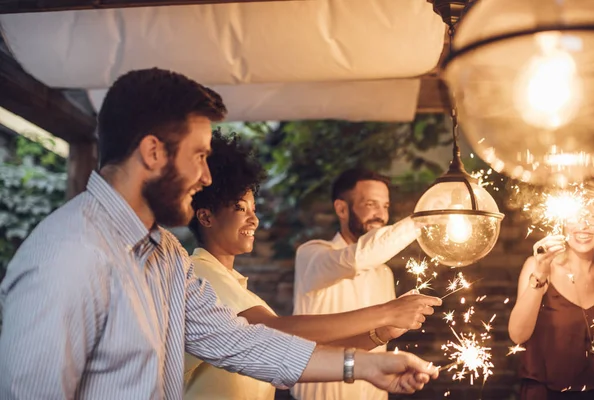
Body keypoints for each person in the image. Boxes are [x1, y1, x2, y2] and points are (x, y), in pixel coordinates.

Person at [0, 68, 440, 399]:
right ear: (153, 152)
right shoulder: (67, 254)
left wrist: (362, 365)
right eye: (199, 156)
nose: (208, 177)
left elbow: (238, 341)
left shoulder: (166, 254)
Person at [184, 131, 442, 400]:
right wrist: (388, 312)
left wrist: (379, 335)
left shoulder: (240, 290)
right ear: (205, 217)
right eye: (240, 208)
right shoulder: (201, 275)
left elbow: (301, 350)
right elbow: (274, 332)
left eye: (254, 209)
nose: (254, 220)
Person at [292, 168, 429, 400]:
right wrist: (425, 220)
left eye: (385, 206)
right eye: (371, 204)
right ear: (342, 209)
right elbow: (357, 259)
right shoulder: (312, 254)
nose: (381, 215)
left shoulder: (383, 273)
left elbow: (374, 342)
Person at [508, 187, 594, 399]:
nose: (583, 226)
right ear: (562, 222)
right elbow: (518, 335)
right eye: (575, 218)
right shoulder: (538, 267)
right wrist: (540, 274)